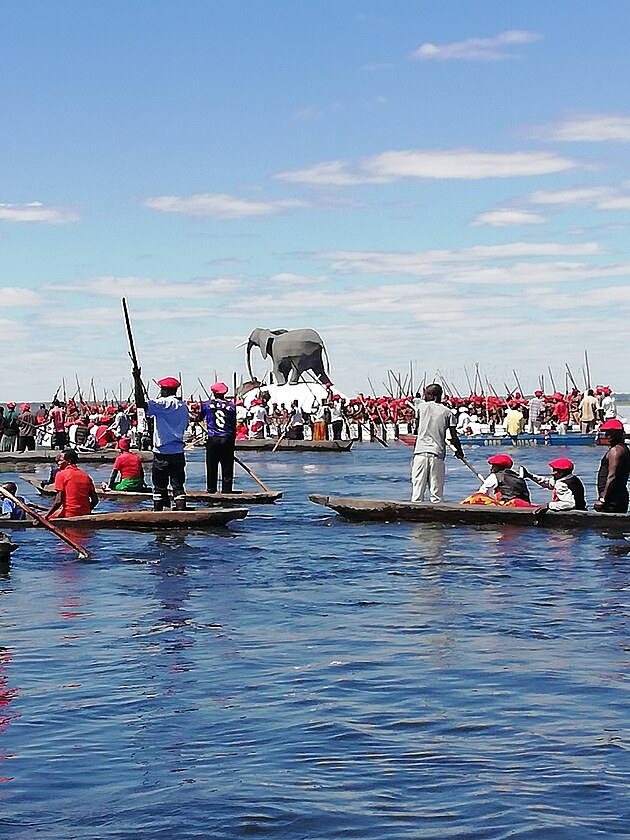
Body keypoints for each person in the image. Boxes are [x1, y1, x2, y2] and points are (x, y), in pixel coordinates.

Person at [134, 373, 189, 511]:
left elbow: (140, 404)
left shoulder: (163, 404)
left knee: (159, 487)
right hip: (178, 452)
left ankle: (158, 512)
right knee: (178, 486)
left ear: (164, 390)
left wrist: (136, 380)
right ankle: (181, 511)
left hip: (162, 453)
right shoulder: (183, 406)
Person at [411, 383, 464, 503]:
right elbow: (454, 436)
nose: (424, 397)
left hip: (420, 453)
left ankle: (415, 512)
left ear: (433, 396)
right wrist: (459, 451)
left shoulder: (420, 408)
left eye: (426, 394)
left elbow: (416, 428)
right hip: (437, 454)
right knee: (436, 493)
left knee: (417, 491)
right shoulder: (447, 412)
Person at [198, 381, 236, 494]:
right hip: (227, 438)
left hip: (213, 438)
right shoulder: (231, 406)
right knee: (227, 465)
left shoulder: (206, 405)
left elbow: (200, 417)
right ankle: (227, 490)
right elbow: (233, 424)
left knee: (211, 465)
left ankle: (211, 489)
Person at [45, 450, 98, 519]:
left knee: (43, 516)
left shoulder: (61, 475)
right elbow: (95, 501)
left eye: (60, 460)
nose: (58, 463)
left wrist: (45, 517)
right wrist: (87, 511)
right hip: (86, 513)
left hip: (69, 514)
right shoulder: (86, 476)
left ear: (69, 461)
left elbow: (58, 501)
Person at [522, 457, 586, 511]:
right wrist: (530, 476)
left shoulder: (562, 484)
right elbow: (548, 483)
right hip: (581, 509)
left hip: (573, 513)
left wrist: (548, 505)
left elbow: (570, 504)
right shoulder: (572, 478)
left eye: (555, 470)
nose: (552, 473)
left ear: (562, 472)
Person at [594, 419, 630, 513]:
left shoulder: (616, 451)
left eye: (612, 432)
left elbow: (612, 476)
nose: (608, 435)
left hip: (612, 498)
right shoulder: (622, 448)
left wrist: (603, 498)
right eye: (607, 432)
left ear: (620, 433)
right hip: (615, 496)